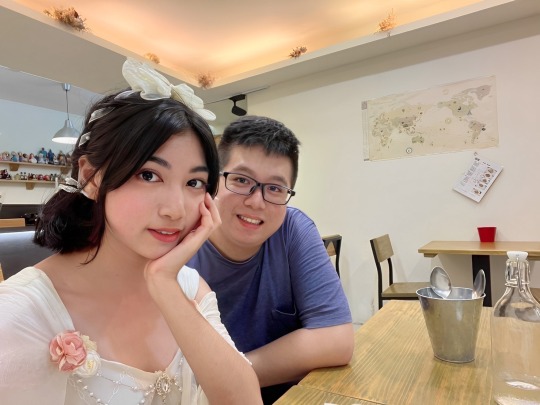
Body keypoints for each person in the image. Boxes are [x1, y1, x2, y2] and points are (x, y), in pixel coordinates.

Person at [0, 58, 262, 405]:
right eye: (149, 175)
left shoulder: (189, 287)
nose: (175, 210)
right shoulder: (19, 314)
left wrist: (164, 285)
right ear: (91, 177)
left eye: (194, 182)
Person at [187, 116, 354, 403]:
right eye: (241, 180)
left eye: (275, 188)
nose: (256, 201)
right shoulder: (181, 243)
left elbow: (337, 339)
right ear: (214, 181)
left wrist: (230, 377)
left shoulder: (293, 230)